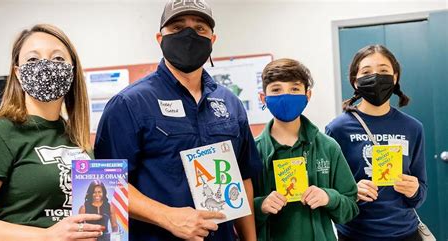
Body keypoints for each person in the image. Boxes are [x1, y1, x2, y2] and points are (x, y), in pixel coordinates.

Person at [94, 1, 262, 240]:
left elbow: (243, 177)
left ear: (212, 40)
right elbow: (105, 183)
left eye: (200, 29)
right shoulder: (129, 104)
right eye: (177, 28)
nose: (189, 35)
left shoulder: (230, 104)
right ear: (160, 39)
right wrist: (167, 216)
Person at [0, 24, 104, 240]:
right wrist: (47, 236)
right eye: (33, 60)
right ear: (18, 72)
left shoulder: (76, 136)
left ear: (72, 70)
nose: (46, 66)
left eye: (58, 59)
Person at [325, 44, 427, 241]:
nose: (376, 76)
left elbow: (421, 191)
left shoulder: (413, 128)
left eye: (383, 70)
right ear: (355, 81)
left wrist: (414, 190)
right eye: (366, 71)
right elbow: (328, 192)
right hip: (355, 234)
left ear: (395, 77)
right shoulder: (337, 129)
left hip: (406, 233)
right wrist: (351, 192)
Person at [252, 58, 359, 241]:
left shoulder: (328, 147)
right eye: (276, 89)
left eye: (294, 89)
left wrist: (328, 197)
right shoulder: (253, 151)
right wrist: (261, 205)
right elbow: (238, 215)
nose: (286, 96)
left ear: (307, 95)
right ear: (263, 98)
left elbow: (350, 208)